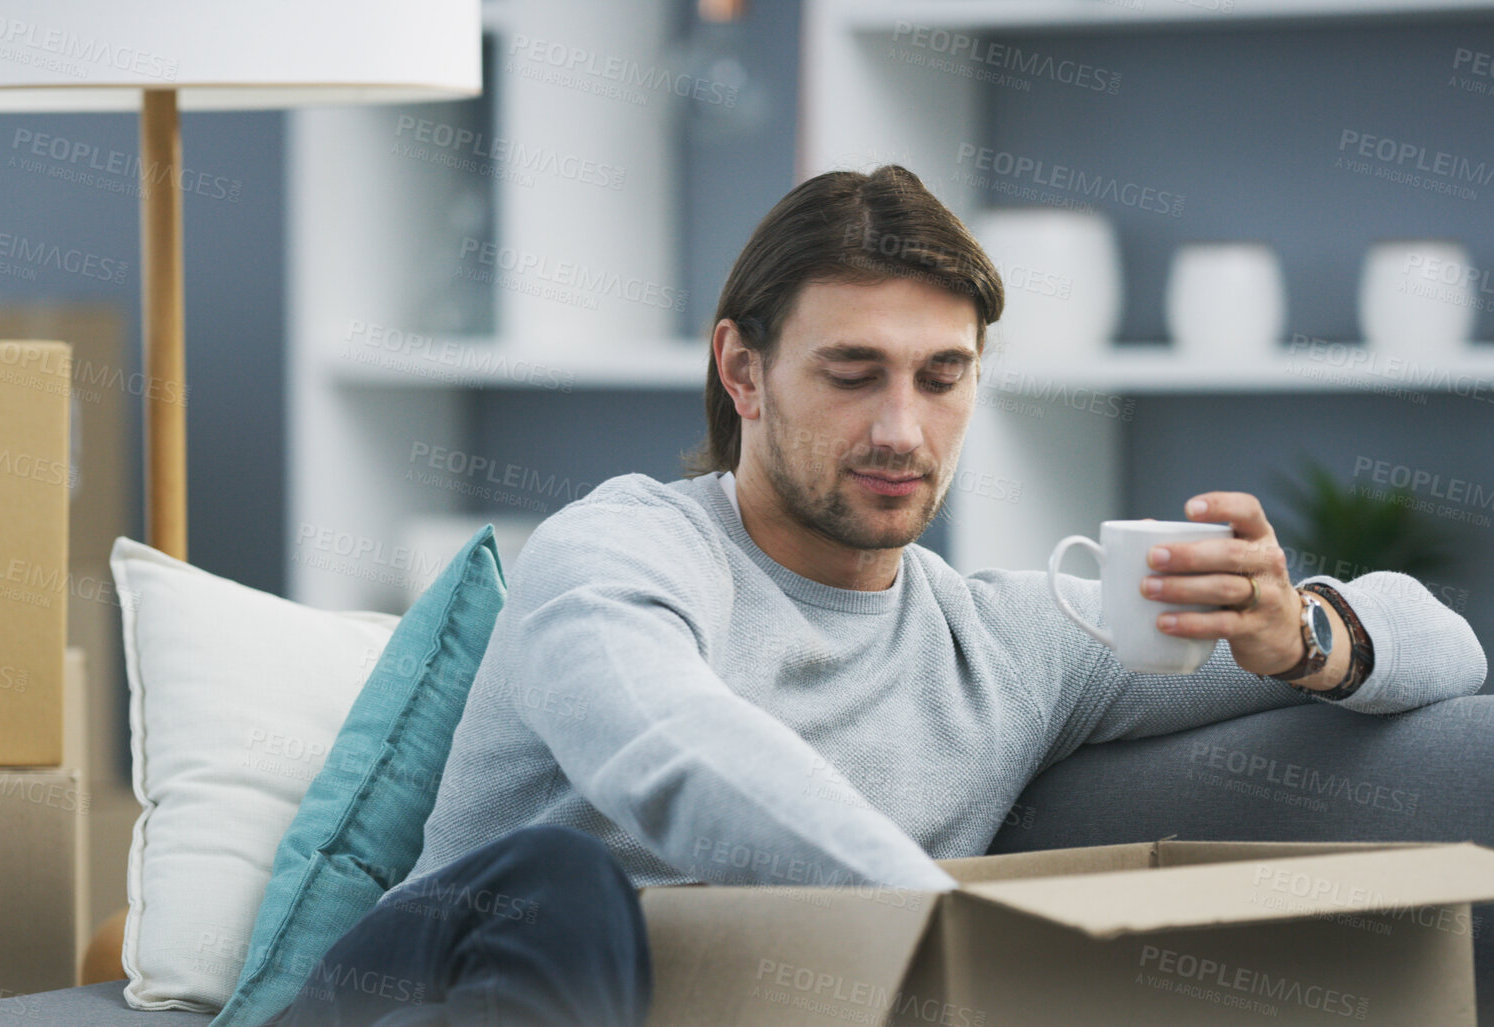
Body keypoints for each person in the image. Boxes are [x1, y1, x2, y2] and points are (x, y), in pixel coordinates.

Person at [263, 165, 1488, 1026]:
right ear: (742, 370)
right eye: (853, 374)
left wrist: (1301, 636)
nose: (903, 428)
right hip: (428, 986)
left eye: (942, 378)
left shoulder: (1013, 643)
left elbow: (1450, 648)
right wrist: (982, 963)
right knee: (551, 877)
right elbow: (675, 751)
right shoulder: (621, 552)